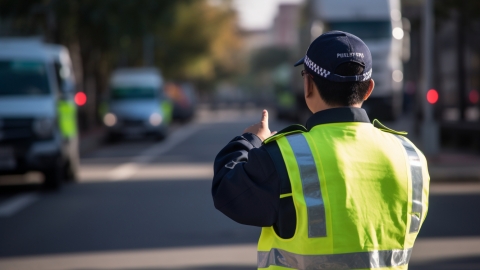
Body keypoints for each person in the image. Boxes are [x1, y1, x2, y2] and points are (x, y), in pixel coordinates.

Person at [212, 31, 429, 270]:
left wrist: (251, 140)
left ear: (308, 85)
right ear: (369, 89)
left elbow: (227, 191)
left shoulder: (284, 157)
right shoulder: (411, 157)